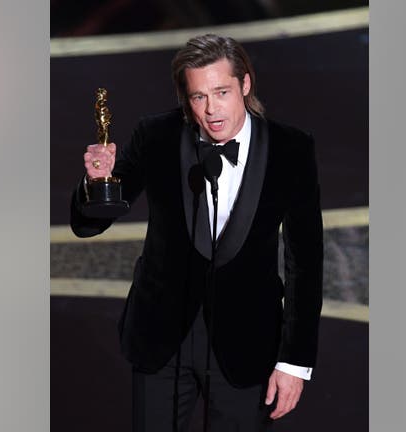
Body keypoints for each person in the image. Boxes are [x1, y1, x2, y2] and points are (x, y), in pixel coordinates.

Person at [71, 34, 323, 431]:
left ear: (245, 84)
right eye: (198, 97)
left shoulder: (291, 148)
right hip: (162, 341)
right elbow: (90, 224)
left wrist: (294, 362)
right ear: (186, 99)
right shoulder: (156, 136)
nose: (211, 110)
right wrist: (96, 183)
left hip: (247, 345)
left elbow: (305, 263)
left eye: (221, 92)